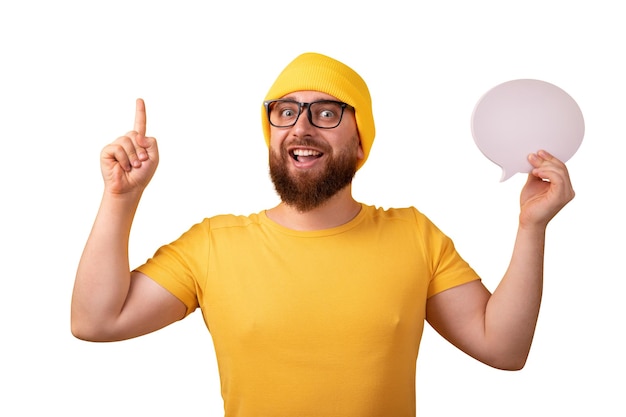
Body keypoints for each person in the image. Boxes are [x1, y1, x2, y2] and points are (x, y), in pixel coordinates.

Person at [71, 52, 575, 416]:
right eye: (285, 112)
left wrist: (532, 227)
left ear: (360, 142)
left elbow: (503, 349)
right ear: (272, 136)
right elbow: (96, 321)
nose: (301, 126)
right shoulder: (211, 245)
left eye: (327, 111)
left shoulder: (414, 236)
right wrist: (121, 199)